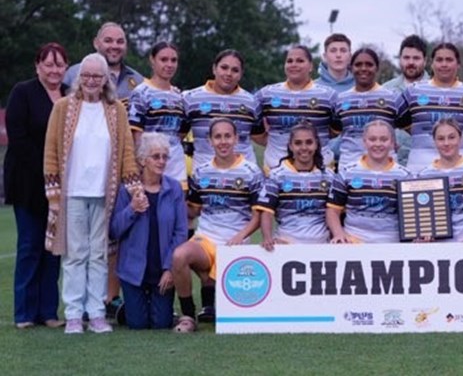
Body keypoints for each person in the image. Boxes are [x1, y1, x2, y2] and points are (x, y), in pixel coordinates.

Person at [44, 52, 139, 334]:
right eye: (86, 76)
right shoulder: (62, 107)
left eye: (97, 76)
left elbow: (127, 153)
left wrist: (133, 187)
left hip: (104, 193)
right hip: (72, 192)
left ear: (106, 79)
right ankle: (74, 314)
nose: (91, 81)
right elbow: (50, 151)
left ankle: (96, 312)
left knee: (99, 254)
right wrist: (53, 191)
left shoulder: (116, 110)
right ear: (78, 77)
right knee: (74, 255)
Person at [171, 118, 264, 332]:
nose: (223, 141)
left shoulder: (251, 171)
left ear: (236, 139)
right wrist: (172, 198)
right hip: (206, 239)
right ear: (210, 141)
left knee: (223, 296)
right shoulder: (201, 172)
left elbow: (259, 215)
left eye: (227, 136)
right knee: (179, 256)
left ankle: (210, 302)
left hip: (236, 243)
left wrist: (242, 235)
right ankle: (188, 315)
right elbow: (193, 210)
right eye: (218, 137)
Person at [4, 43, 68, 329]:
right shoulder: (23, 92)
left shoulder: (70, 94)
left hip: (63, 188)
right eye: (49, 64)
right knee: (30, 246)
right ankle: (25, 314)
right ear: (38, 66)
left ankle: (49, 312)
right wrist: (48, 170)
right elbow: (18, 139)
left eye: (59, 65)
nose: (54, 70)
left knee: (54, 249)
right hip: (29, 184)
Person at [109, 132, 188, 329]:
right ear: (142, 160)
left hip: (161, 270)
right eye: (156, 156)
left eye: (164, 156)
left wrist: (170, 268)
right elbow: (114, 231)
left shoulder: (174, 189)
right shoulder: (127, 190)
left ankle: (161, 307)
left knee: (161, 324)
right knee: (138, 324)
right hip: (133, 271)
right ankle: (127, 307)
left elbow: (181, 232)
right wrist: (132, 209)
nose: (161, 161)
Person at [397, 42, 463, 174]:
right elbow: (400, 120)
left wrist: (462, 140)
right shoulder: (413, 91)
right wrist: (426, 137)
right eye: (439, 60)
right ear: (432, 64)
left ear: (458, 64)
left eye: (449, 60)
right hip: (421, 162)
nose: (444, 64)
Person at [326, 120, 412, 243]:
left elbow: (411, 215)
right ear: (364, 142)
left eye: (383, 139)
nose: (378, 144)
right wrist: (339, 234)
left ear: (392, 143)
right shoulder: (346, 172)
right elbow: (333, 210)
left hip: (391, 243)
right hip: (354, 241)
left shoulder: (405, 175)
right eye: (372, 139)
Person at [256, 45, 337, 170]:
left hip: (320, 170)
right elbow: (252, 126)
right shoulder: (266, 94)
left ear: (311, 66)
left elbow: (335, 130)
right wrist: (272, 141)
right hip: (275, 167)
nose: (294, 64)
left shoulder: (329, 95)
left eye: (300, 60)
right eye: (289, 61)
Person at [182, 49, 261, 168]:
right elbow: (176, 137)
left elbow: (264, 138)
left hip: (243, 177)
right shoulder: (190, 98)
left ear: (241, 74)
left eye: (235, 70)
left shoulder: (252, 102)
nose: (229, 73)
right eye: (224, 67)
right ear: (214, 68)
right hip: (204, 177)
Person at [257, 122, 334, 246]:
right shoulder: (277, 175)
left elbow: (335, 212)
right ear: (290, 146)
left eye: (309, 142)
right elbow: (266, 211)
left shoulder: (329, 176)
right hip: (286, 243)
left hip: (321, 245)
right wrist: (267, 238)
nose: (304, 147)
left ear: (316, 145)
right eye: (298, 143)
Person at [332, 48, 404, 171]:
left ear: (377, 68)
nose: (363, 68)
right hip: (349, 169)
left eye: (369, 64)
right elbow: (330, 132)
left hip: (385, 169)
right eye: (358, 65)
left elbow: (413, 130)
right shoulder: (341, 100)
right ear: (350, 68)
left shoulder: (392, 98)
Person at [128, 41, 188, 185]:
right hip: (151, 164)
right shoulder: (141, 93)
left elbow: (180, 133)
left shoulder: (179, 96)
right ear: (152, 60)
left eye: (173, 60)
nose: (169, 64)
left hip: (176, 164)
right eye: (163, 59)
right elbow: (136, 135)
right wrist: (140, 165)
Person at [64, 22, 143, 105]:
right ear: (96, 43)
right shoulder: (73, 74)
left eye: (120, 42)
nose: (114, 46)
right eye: (108, 41)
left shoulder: (138, 81)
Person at [382, 34, 429, 165]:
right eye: (406, 57)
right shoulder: (385, 90)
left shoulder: (435, 90)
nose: (411, 62)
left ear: (425, 60)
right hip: (391, 165)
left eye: (416, 58)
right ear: (400, 59)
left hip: (426, 164)